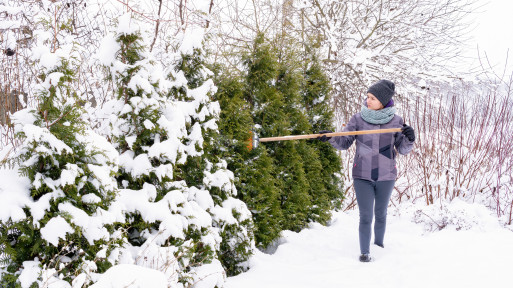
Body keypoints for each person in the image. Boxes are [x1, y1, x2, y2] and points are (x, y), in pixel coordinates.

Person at [318, 79, 415, 262]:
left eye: (372, 98)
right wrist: (331, 137)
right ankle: (365, 253)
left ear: (383, 101)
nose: (367, 101)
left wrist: (409, 138)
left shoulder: (396, 121)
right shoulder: (358, 119)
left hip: (386, 175)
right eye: (367, 97)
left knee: (381, 213)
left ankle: (379, 247)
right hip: (362, 174)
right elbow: (345, 142)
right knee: (365, 215)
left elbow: (402, 149)